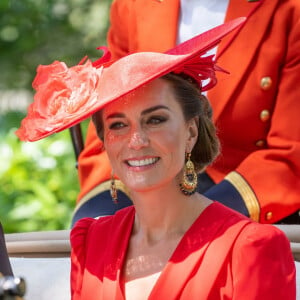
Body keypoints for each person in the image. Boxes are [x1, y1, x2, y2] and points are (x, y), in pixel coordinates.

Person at [16, 19, 296, 299]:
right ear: (104, 142)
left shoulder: (252, 247)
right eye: (118, 125)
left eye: (156, 120)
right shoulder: (90, 242)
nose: (137, 141)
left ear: (191, 131)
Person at [73, 0, 300, 225]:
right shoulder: (133, 5)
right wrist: (104, 208)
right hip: (145, 184)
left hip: (244, 191)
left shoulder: (289, 9)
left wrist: (196, 219)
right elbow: (112, 123)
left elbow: (291, 153)